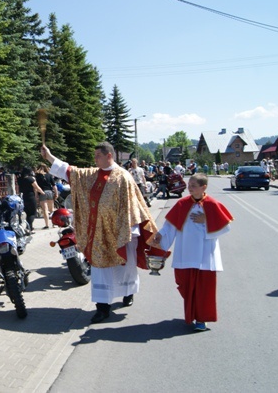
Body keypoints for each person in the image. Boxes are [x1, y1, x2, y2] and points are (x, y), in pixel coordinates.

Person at [41, 142, 166, 324]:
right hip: (98, 231)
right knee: (100, 269)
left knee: (124, 266)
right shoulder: (93, 174)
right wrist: (49, 157)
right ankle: (102, 307)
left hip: (120, 230)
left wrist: (128, 230)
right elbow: (71, 172)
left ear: (109, 156)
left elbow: (132, 205)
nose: (95, 159)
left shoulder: (123, 177)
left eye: (98, 155)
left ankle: (127, 293)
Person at [152, 173, 234, 332]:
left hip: (205, 255)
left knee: (204, 289)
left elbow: (226, 227)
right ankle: (193, 311)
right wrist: (160, 235)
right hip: (185, 253)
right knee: (184, 284)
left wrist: (207, 219)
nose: (189, 188)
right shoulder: (182, 204)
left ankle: (201, 319)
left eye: (193, 186)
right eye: (189, 185)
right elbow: (170, 226)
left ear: (204, 187)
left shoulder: (212, 204)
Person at [18, 167, 44, 233]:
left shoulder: (20, 179)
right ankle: (28, 228)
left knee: (28, 213)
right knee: (33, 213)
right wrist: (42, 193)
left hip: (24, 196)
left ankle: (30, 228)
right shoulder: (30, 179)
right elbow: (37, 187)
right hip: (31, 196)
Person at [35, 163, 58, 228]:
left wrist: (36, 195)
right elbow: (54, 186)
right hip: (49, 192)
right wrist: (56, 193)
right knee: (51, 209)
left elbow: (36, 187)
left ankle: (47, 225)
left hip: (42, 193)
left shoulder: (37, 176)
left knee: (45, 210)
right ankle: (54, 224)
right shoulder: (49, 175)